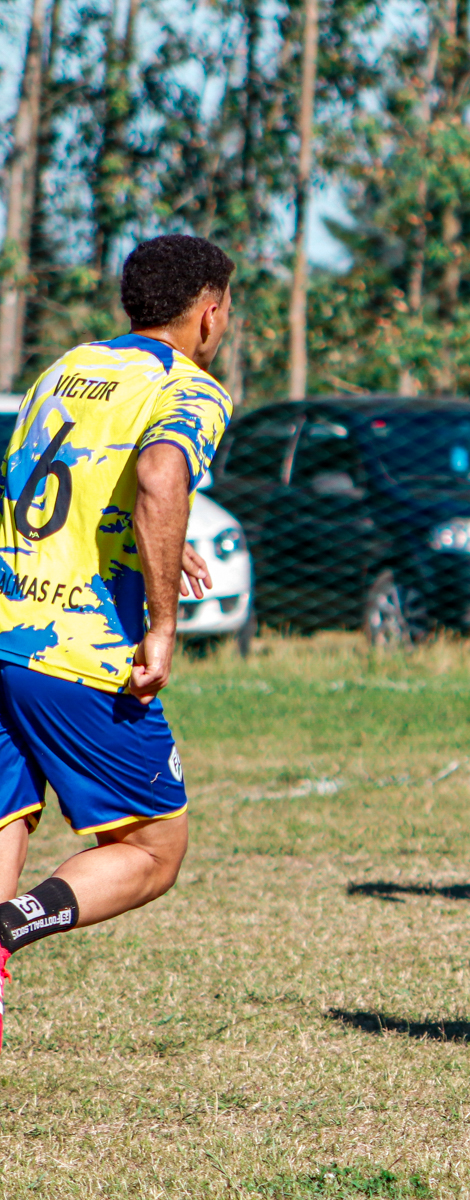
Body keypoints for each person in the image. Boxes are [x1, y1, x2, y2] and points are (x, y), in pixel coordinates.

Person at [0, 234, 235, 1045]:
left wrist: (159, 542)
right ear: (209, 312)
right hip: (76, 650)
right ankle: (10, 926)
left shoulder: (65, 369)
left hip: (6, 624)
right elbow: (161, 476)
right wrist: (162, 628)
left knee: (9, 814)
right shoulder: (189, 386)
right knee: (153, 850)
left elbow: (60, 483)